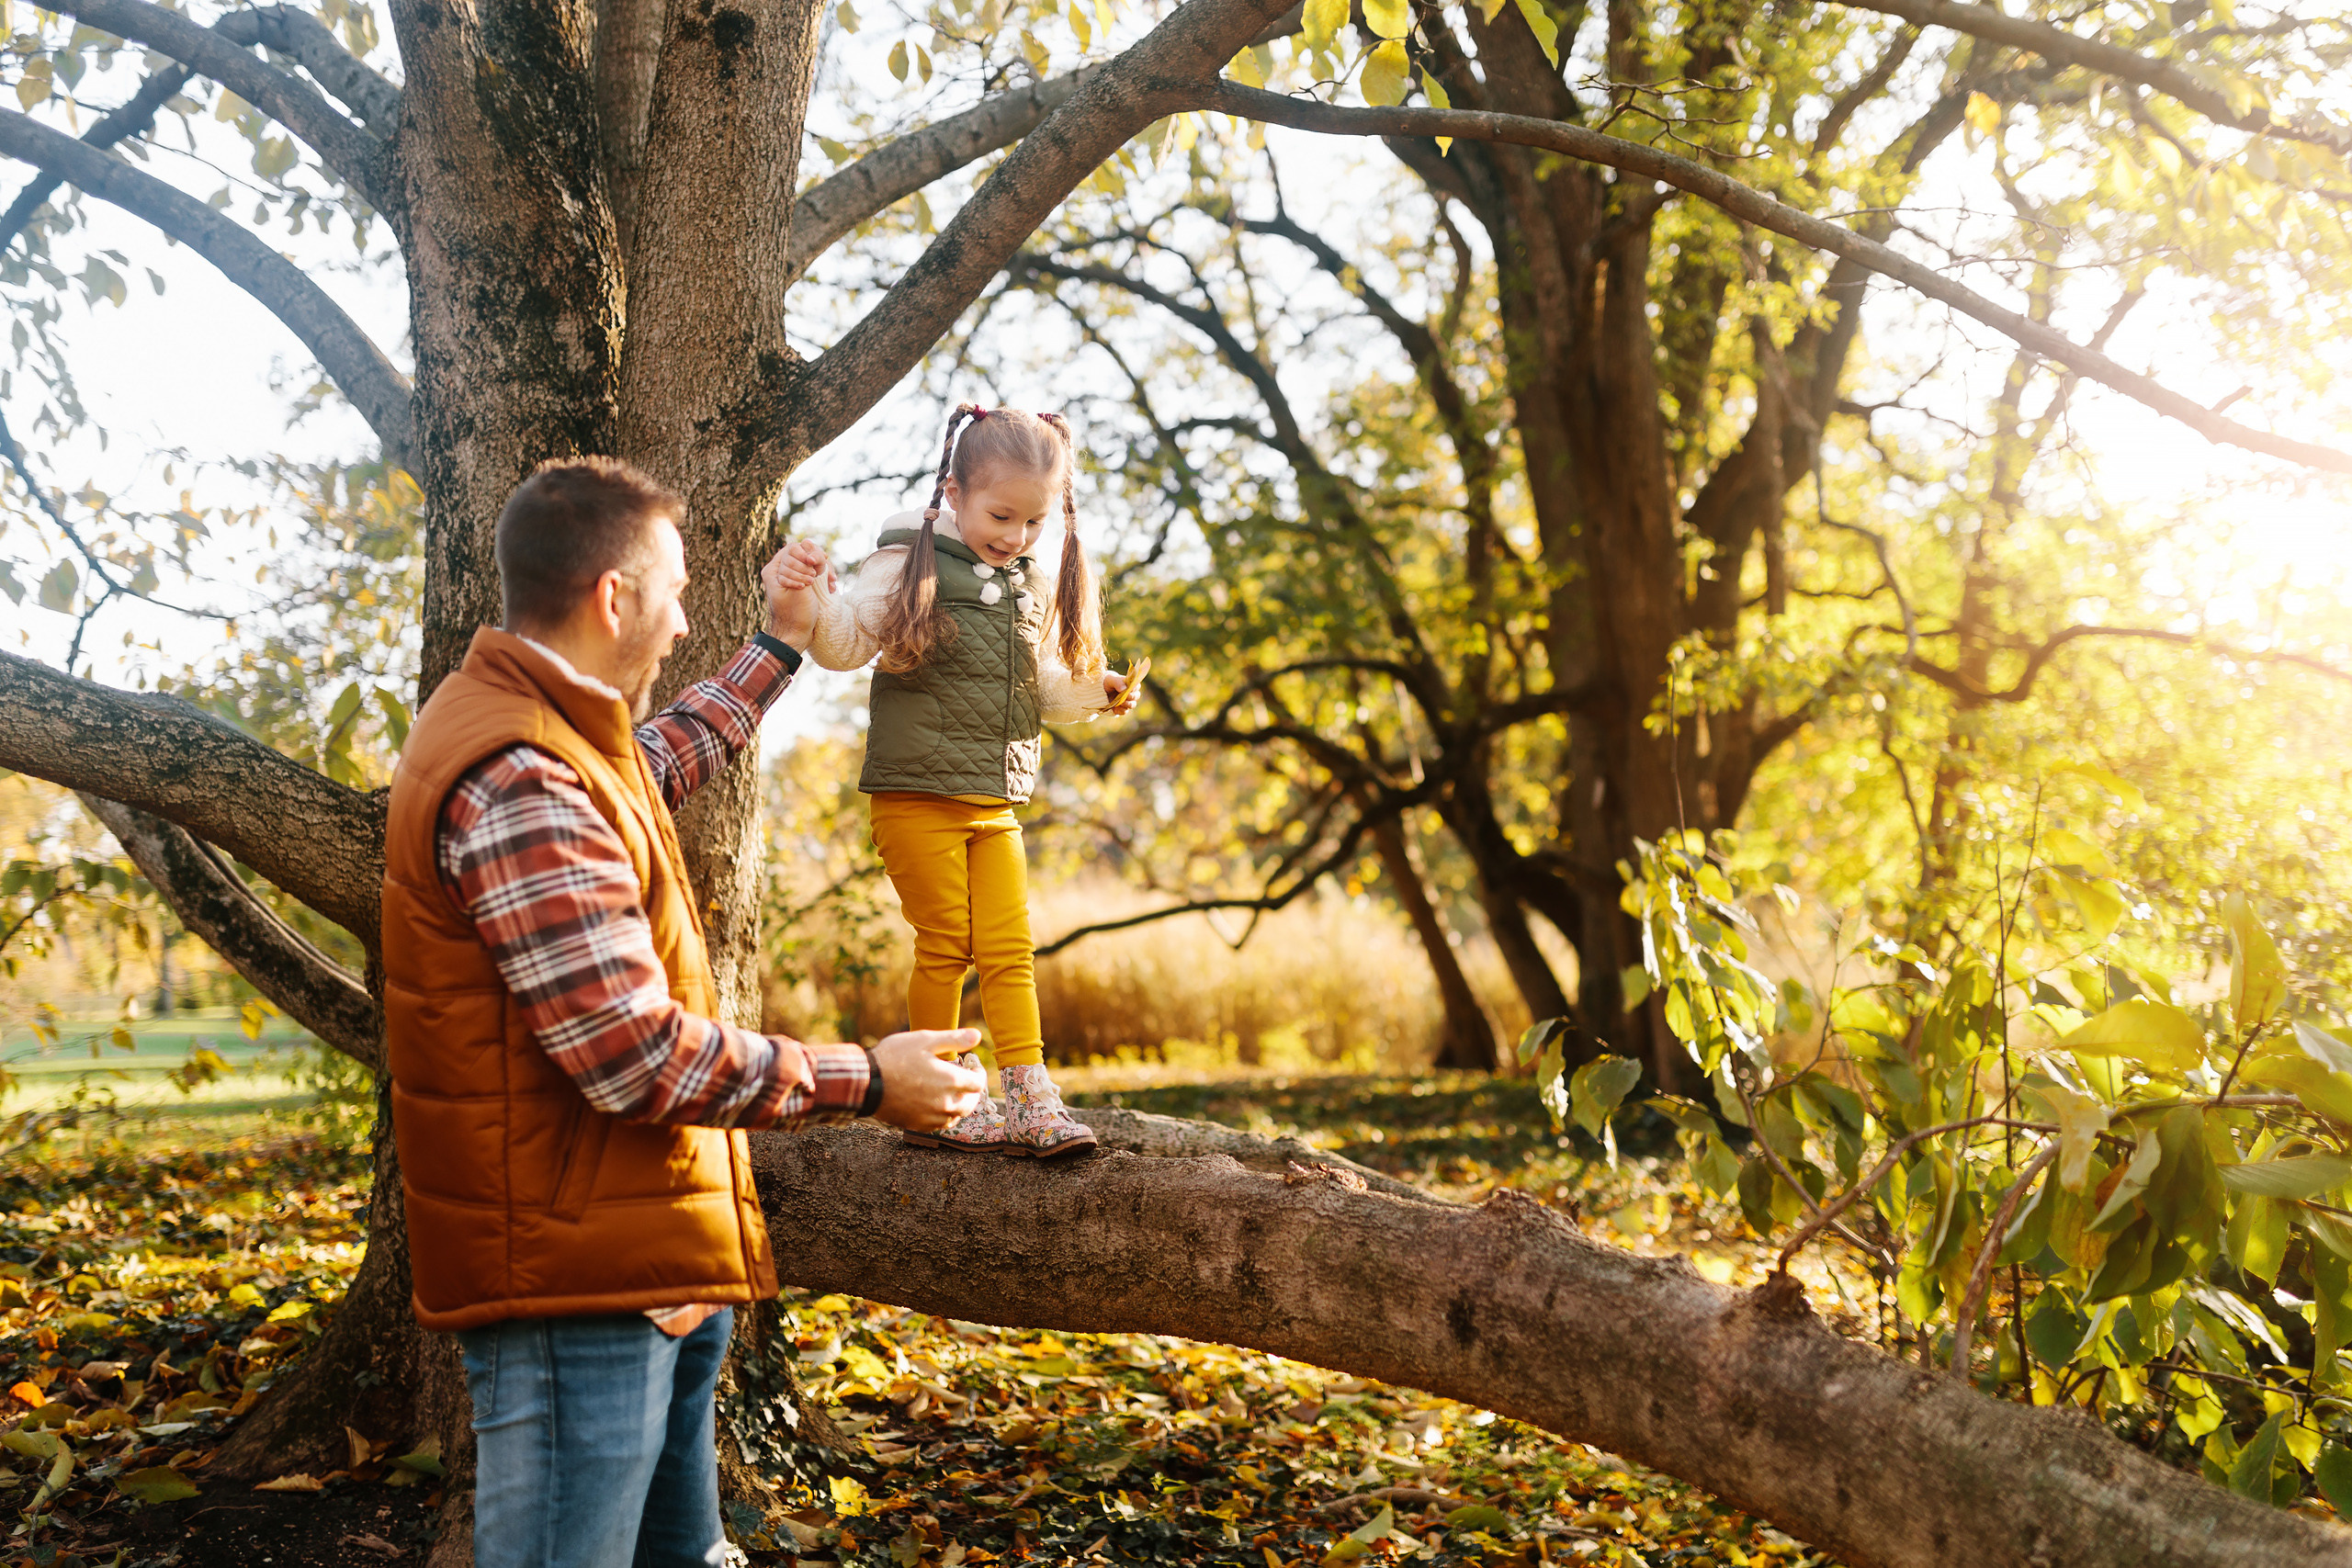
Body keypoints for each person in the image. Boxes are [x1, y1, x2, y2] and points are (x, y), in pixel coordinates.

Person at [379, 456, 985, 1568]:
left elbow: (661, 760)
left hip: (640, 1266)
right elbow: (630, 1057)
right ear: (616, 598)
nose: (681, 619)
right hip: (578, 1294)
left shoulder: (549, 742)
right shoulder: (521, 773)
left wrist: (782, 645)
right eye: (675, 592)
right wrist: (871, 1079)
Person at [795, 404, 1142, 1156]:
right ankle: (942, 1091)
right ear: (953, 491)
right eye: (1001, 513)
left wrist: (1097, 689)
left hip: (995, 801)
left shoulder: (1029, 584)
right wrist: (809, 600)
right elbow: (847, 640)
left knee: (1010, 947)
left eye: (1033, 521)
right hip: (916, 796)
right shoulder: (909, 558)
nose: (1014, 536)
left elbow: (1043, 686)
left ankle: (1027, 1091)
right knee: (948, 940)